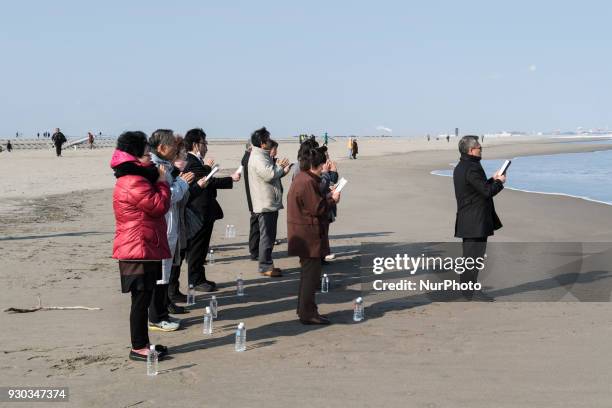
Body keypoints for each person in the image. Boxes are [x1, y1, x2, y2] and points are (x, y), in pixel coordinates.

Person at [110, 131, 172, 361]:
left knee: (144, 296)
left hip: (142, 246)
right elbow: (158, 206)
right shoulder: (133, 180)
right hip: (136, 249)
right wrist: (163, 184)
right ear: (134, 157)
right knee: (140, 299)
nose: (151, 159)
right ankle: (138, 347)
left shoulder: (137, 177)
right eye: (147, 154)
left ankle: (143, 343)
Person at [287, 146, 341, 325]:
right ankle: (308, 312)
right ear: (316, 165)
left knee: (307, 275)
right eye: (322, 164)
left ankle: (303, 309)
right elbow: (317, 208)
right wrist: (333, 199)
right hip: (308, 235)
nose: (324, 167)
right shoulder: (307, 181)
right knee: (310, 276)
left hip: (303, 233)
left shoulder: (303, 178)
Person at [148, 129, 195, 328]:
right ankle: (157, 317)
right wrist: (182, 183)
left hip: (169, 227)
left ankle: (163, 314)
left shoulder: (164, 166)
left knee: (165, 274)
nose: (176, 151)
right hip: (162, 228)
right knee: (159, 274)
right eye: (173, 147)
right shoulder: (155, 168)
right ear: (161, 148)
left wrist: (178, 182)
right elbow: (165, 198)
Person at [183, 128, 240, 292]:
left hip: (205, 210)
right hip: (198, 211)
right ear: (195, 145)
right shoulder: (191, 161)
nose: (206, 146)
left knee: (202, 248)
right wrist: (229, 178)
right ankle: (195, 280)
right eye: (204, 143)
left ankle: (200, 278)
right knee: (197, 248)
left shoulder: (195, 161)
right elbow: (207, 180)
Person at [453, 135, 506, 301]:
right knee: (473, 258)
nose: (481, 149)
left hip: (471, 219)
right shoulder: (471, 167)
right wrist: (499, 183)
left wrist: (493, 179)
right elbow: (486, 192)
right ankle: (469, 292)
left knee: (472, 257)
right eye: (479, 147)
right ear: (471, 150)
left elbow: (478, 187)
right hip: (474, 220)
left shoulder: (464, 165)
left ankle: (468, 291)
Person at [248, 127, 291, 277]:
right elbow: (269, 174)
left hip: (268, 202)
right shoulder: (258, 156)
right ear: (262, 143)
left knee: (269, 236)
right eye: (267, 139)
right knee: (267, 236)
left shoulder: (262, 154)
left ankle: (268, 264)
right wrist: (279, 167)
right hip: (264, 204)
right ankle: (265, 266)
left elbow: (272, 175)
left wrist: (282, 171)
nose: (269, 141)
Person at [241, 143, 260, 260]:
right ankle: (254, 250)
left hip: (254, 196)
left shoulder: (248, 158)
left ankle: (255, 250)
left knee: (256, 223)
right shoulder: (248, 158)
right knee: (255, 223)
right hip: (254, 196)